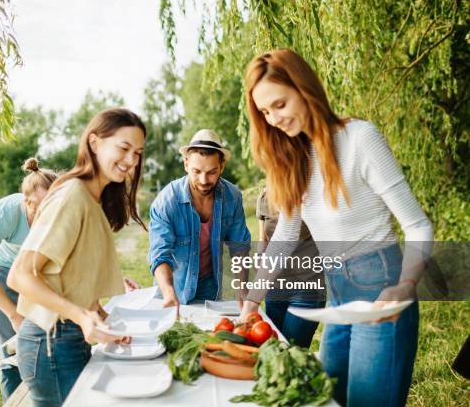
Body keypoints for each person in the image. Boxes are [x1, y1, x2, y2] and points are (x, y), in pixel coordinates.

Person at [241, 49, 433, 406]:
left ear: (303, 88)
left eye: (279, 104)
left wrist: (405, 286)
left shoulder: (360, 138)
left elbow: (418, 225)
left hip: (381, 293)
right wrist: (252, 301)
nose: (274, 119)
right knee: (325, 397)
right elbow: (283, 238)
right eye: (265, 112)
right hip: (338, 296)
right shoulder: (294, 159)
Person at [6, 108, 147, 406]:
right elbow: (20, 275)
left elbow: (71, 277)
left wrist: (104, 320)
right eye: (123, 148)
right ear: (94, 143)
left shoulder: (92, 200)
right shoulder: (73, 196)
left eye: (137, 152)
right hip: (51, 344)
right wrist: (82, 316)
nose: (132, 160)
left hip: (67, 340)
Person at [0, 158, 57, 402]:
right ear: (27, 203)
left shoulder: (60, 212)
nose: (48, 214)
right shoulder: (4, 214)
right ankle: (12, 399)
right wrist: (13, 314)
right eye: (42, 207)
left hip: (39, 272)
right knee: (11, 350)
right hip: (3, 273)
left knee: (48, 345)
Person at [148, 129, 251, 307]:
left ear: (222, 166)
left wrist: (242, 289)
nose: (204, 180)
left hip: (211, 287)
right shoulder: (166, 202)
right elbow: (159, 254)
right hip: (174, 288)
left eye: (212, 172)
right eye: (197, 171)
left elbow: (239, 248)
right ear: (186, 164)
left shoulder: (232, 197)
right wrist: (168, 292)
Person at [256, 188, 325, 348]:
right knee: (273, 350)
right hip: (275, 288)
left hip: (306, 288)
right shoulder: (265, 197)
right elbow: (263, 238)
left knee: (292, 351)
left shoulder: (309, 194)